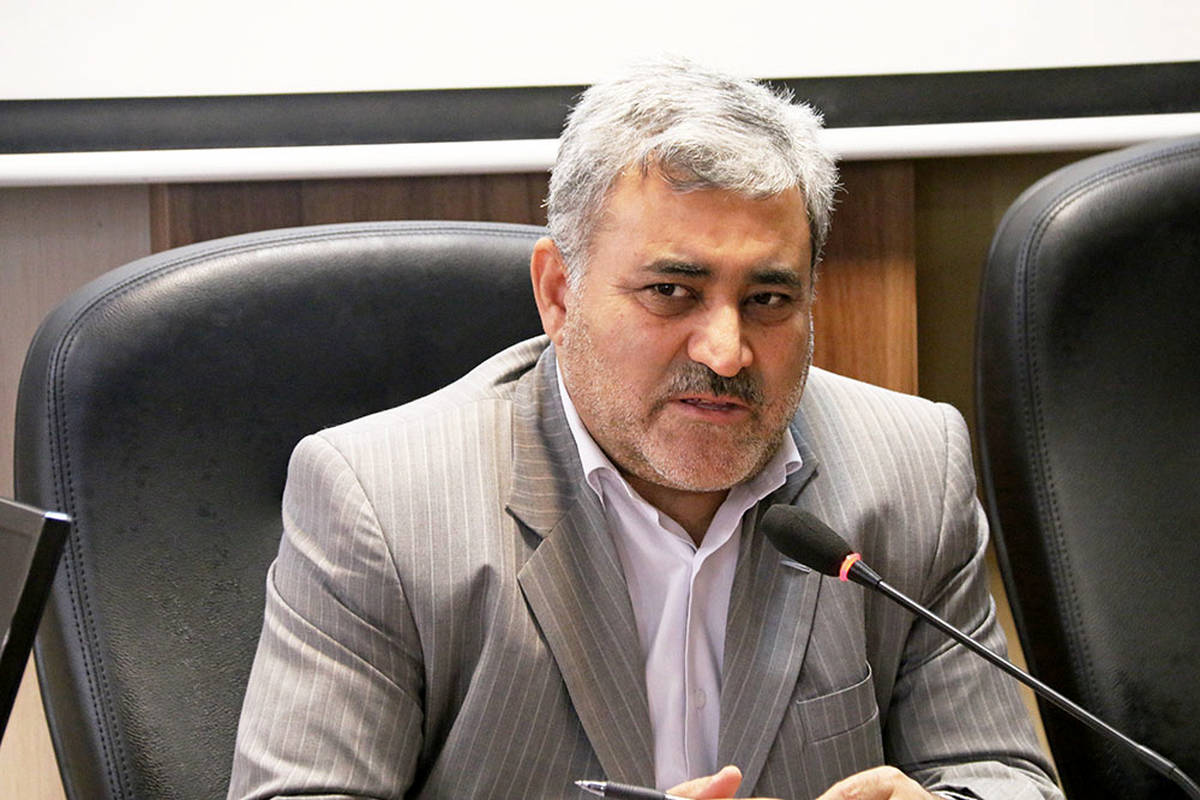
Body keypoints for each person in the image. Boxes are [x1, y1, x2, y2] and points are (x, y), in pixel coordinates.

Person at [228, 58, 1062, 800]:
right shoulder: (380, 502)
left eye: (769, 299)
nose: (727, 351)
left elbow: (1002, 775)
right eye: (672, 292)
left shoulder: (911, 468)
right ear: (559, 294)